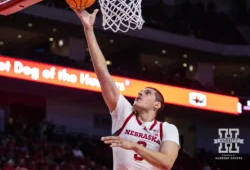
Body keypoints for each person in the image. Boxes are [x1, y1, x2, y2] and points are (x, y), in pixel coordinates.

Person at [73, 9, 180, 170]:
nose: (140, 93)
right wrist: (88, 29)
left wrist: (134, 146)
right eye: (141, 91)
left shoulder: (167, 129)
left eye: (147, 93)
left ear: (157, 105)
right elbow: (102, 71)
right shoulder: (124, 113)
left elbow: (167, 163)